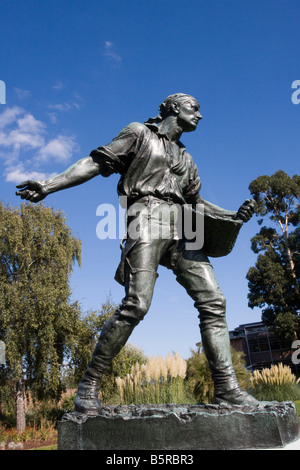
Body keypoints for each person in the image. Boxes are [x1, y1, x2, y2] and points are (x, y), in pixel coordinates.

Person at [16, 93, 259, 413]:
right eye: (194, 108)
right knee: (137, 304)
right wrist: (49, 184)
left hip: (185, 228)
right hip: (145, 219)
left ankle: (227, 389)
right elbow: (93, 163)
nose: (200, 115)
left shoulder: (187, 159)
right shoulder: (138, 134)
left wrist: (232, 216)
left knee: (214, 301)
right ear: (174, 108)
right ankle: (88, 385)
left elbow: (197, 204)